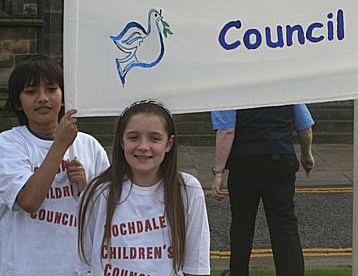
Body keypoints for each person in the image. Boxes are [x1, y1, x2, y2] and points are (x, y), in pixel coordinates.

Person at [0, 54, 110, 275]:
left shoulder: (90, 145)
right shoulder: (8, 144)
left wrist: (85, 187)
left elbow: (107, 213)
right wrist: (59, 145)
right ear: (17, 103)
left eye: (51, 89)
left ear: (63, 95)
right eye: (31, 92)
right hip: (24, 267)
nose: (42, 98)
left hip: (77, 267)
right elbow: (28, 201)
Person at [77, 100, 210, 276]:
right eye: (133, 137)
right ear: (122, 142)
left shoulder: (187, 190)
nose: (143, 147)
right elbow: (83, 265)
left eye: (154, 138)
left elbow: (196, 267)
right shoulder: (97, 192)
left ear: (169, 143)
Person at [211, 104, 314, 276]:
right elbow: (305, 127)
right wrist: (306, 154)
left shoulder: (232, 86)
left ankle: (238, 272)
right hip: (280, 158)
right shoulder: (284, 85)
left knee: (242, 225)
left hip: (244, 163)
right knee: (284, 226)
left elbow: (226, 131)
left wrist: (218, 172)